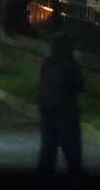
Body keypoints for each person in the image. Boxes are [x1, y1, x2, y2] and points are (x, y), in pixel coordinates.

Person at [37, 34, 84, 175]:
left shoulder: (47, 63)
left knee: (48, 151)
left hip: (47, 113)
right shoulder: (70, 65)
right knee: (72, 151)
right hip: (66, 114)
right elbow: (79, 86)